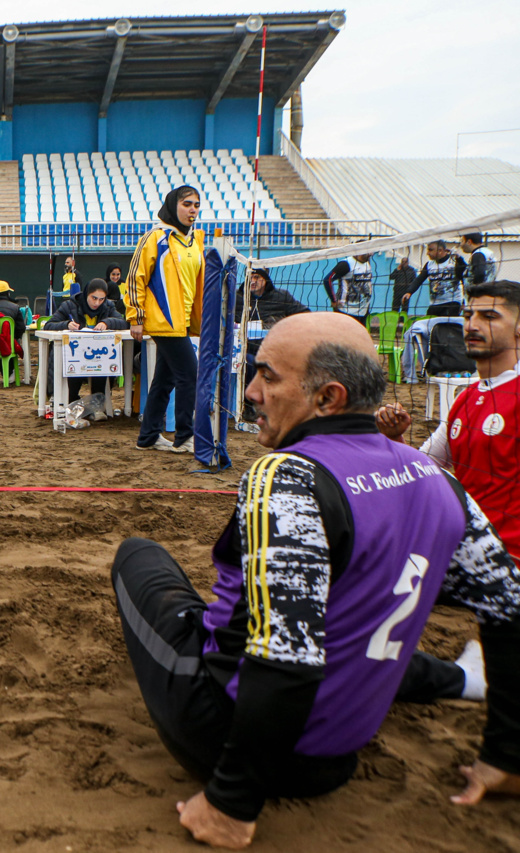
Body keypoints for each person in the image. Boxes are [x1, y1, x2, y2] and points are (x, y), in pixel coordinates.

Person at [113, 312, 520, 850]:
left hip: (231, 739)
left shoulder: (287, 476)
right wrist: (506, 755)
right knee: (343, 601)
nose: (253, 391)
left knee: (139, 558)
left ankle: (234, 786)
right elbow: (509, 606)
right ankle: (456, 682)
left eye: (268, 377)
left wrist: (232, 803)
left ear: (327, 398)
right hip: (341, 753)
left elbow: (286, 657)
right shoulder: (436, 477)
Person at [379, 281, 520, 566]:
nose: (472, 325)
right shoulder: (466, 398)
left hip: (507, 559)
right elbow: (422, 470)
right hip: (467, 550)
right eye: (469, 316)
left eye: (489, 317)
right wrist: (394, 439)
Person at [127, 185, 205, 453]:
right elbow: (136, 276)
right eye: (186, 204)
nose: (192, 209)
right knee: (190, 375)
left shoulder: (195, 242)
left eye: (196, 204)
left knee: (165, 380)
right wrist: (135, 316)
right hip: (163, 322)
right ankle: (185, 436)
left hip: (182, 322)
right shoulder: (155, 237)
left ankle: (147, 437)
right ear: (174, 206)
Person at [43, 279, 129, 420]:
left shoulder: (108, 307)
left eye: (101, 299)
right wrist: (66, 325)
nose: (97, 303)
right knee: (74, 366)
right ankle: (71, 402)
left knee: (101, 365)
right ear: (86, 294)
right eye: (94, 298)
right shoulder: (69, 305)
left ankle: (97, 405)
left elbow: (124, 323)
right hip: (73, 355)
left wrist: (106, 322)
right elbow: (49, 325)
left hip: (98, 356)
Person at [233, 267, 309, 418]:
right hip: (245, 348)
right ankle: (250, 406)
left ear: (265, 279)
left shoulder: (281, 297)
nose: (253, 281)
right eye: (250, 278)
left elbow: (304, 314)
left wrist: (283, 326)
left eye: (257, 278)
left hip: (273, 347)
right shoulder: (237, 297)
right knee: (249, 362)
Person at [402, 240, 465, 317]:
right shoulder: (429, 264)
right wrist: (409, 292)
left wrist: (464, 302)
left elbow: (465, 279)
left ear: (440, 250)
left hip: (452, 302)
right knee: (430, 325)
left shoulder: (454, 262)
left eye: (430, 250)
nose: (427, 253)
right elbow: (419, 279)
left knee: (447, 326)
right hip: (435, 303)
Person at [322, 252, 374, 325]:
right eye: (365, 253)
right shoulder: (346, 264)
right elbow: (328, 279)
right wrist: (333, 300)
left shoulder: (367, 262)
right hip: (346, 310)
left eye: (370, 253)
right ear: (357, 252)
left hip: (363, 310)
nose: (369, 255)